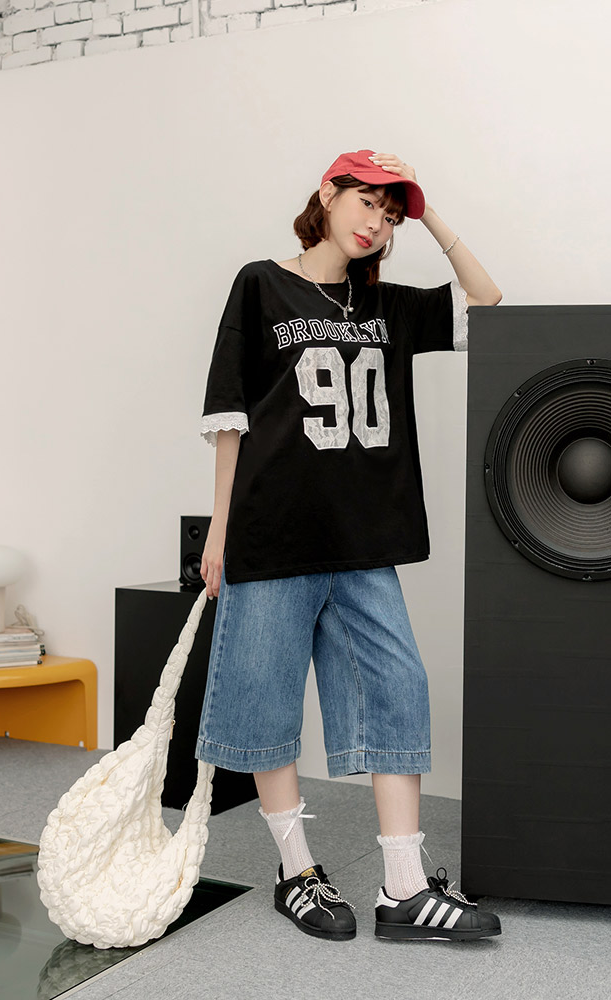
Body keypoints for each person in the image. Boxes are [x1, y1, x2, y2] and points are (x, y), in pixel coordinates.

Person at [195, 149, 503, 943]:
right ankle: (296, 871)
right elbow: (230, 417)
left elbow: (487, 302)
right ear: (327, 195)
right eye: (366, 201)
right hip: (272, 532)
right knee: (266, 701)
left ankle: (404, 889)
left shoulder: (388, 306)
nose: (376, 223)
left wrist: (428, 214)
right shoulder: (259, 284)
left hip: (364, 540)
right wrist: (220, 531)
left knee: (397, 690)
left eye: (389, 215)